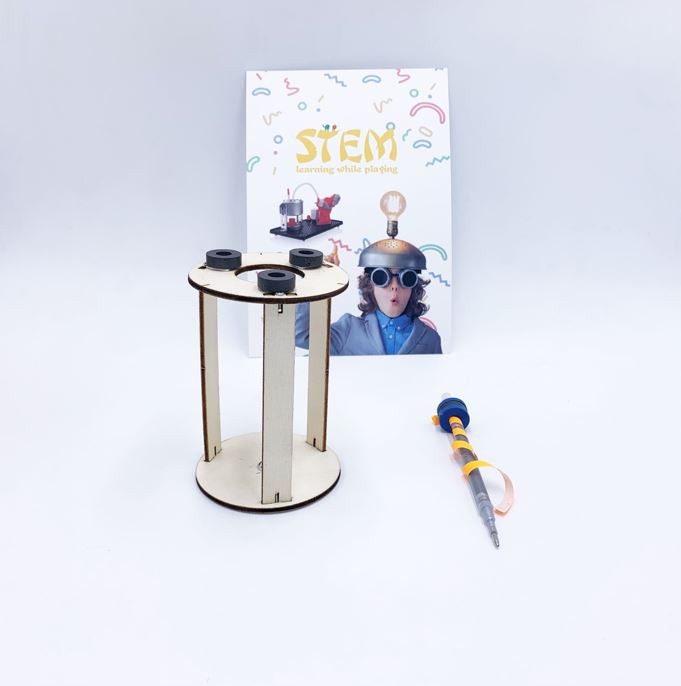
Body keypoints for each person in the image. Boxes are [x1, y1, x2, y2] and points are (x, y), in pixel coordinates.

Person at [295, 245, 442, 355]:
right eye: (382, 278)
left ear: (413, 287)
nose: (394, 286)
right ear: (370, 285)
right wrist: (317, 281)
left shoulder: (430, 338)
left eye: (406, 279)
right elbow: (301, 336)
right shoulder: (349, 329)